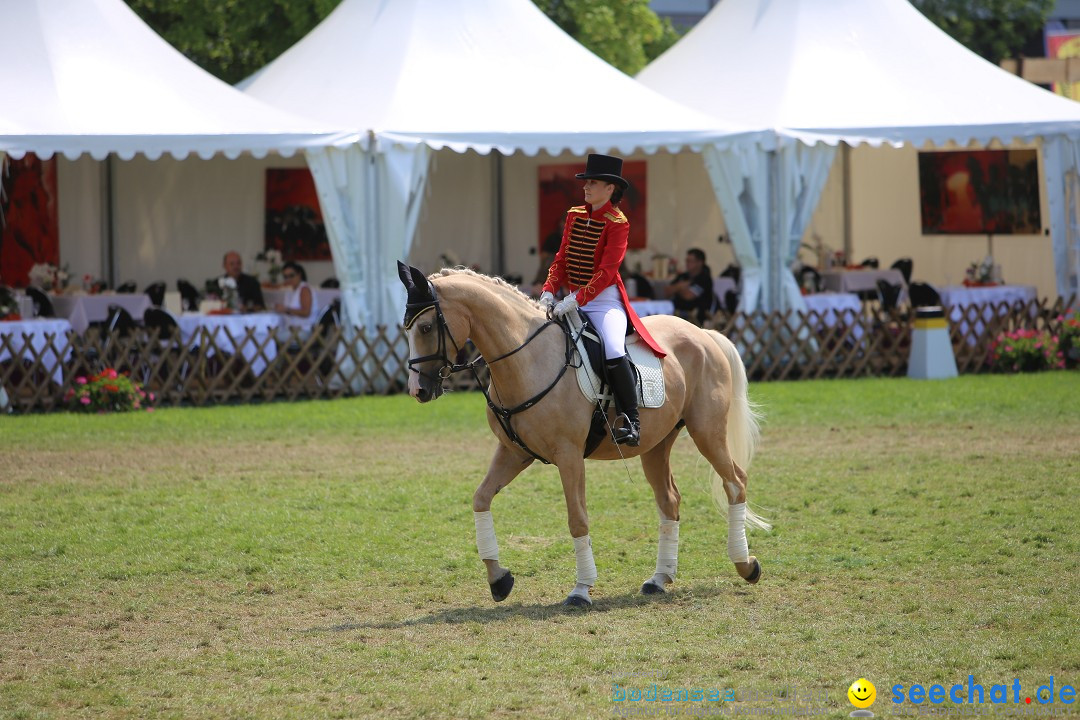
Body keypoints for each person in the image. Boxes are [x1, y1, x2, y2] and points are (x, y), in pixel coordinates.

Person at [540, 154, 665, 447]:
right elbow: (560, 259)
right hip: (570, 297)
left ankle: (631, 420)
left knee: (612, 348)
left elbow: (608, 271)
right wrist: (548, 289)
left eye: (592, 183)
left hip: (603, 300)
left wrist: (576, 298)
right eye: (586, 182)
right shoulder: (573, 215)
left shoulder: (618, 222)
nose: (586, 187)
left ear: (610, 189)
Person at [665, 248, 714, 326]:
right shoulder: (683, 276)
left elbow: (688, 296)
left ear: (699, 262)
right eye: (686, 261)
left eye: (690, 261)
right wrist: (681, 286)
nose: (687, 263)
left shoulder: (704, 279)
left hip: (696, 315)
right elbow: (666, 292)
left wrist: (677, 288)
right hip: (677, 312)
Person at [273, 261, 317, 327]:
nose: (288, 279)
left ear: (299, 274)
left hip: (303, 328)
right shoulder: (291, 290)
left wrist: (286, 309)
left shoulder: (304, 289)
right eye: (285, 277)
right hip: (292, 328)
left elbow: (306, 312)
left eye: (291, 276)